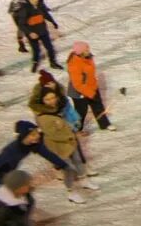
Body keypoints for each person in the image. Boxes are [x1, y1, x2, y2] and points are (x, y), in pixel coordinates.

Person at [28, 72, 98, 204]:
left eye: (53, 98)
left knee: (78, 159)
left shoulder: (61, 103)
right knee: (68, 168)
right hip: (58, 144)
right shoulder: (42, 115)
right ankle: (71, 191)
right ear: (42, 100)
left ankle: (84, 179)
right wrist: (71, 133)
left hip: (70, 138)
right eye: (48, 99)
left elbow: (70, 112)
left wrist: (75, 122)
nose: (51, 101)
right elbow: (52, 133)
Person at [66, 41, 115, 131]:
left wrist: (93, 87)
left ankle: (104, 124)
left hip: (91, 86)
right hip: (79, 92)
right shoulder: (74, 64)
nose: (89, 50)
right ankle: (77, 129)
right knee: (81, 111)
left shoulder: (88, 57)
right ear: (80, 52)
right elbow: (78, 84)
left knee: (98, 106)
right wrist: (90, 93)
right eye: (86, 49)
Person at [14, 0, 61, 73]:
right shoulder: (25, 9)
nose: (35, 1)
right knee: (36, 50)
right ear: (28, 0)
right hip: (32, 34)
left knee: (49, 47)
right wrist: (30, 33)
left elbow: (46, 15)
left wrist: (53, 22)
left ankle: (53, 62)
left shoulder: (40, 6)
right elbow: (21, 25)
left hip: (42, 31)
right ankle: (35, 63)